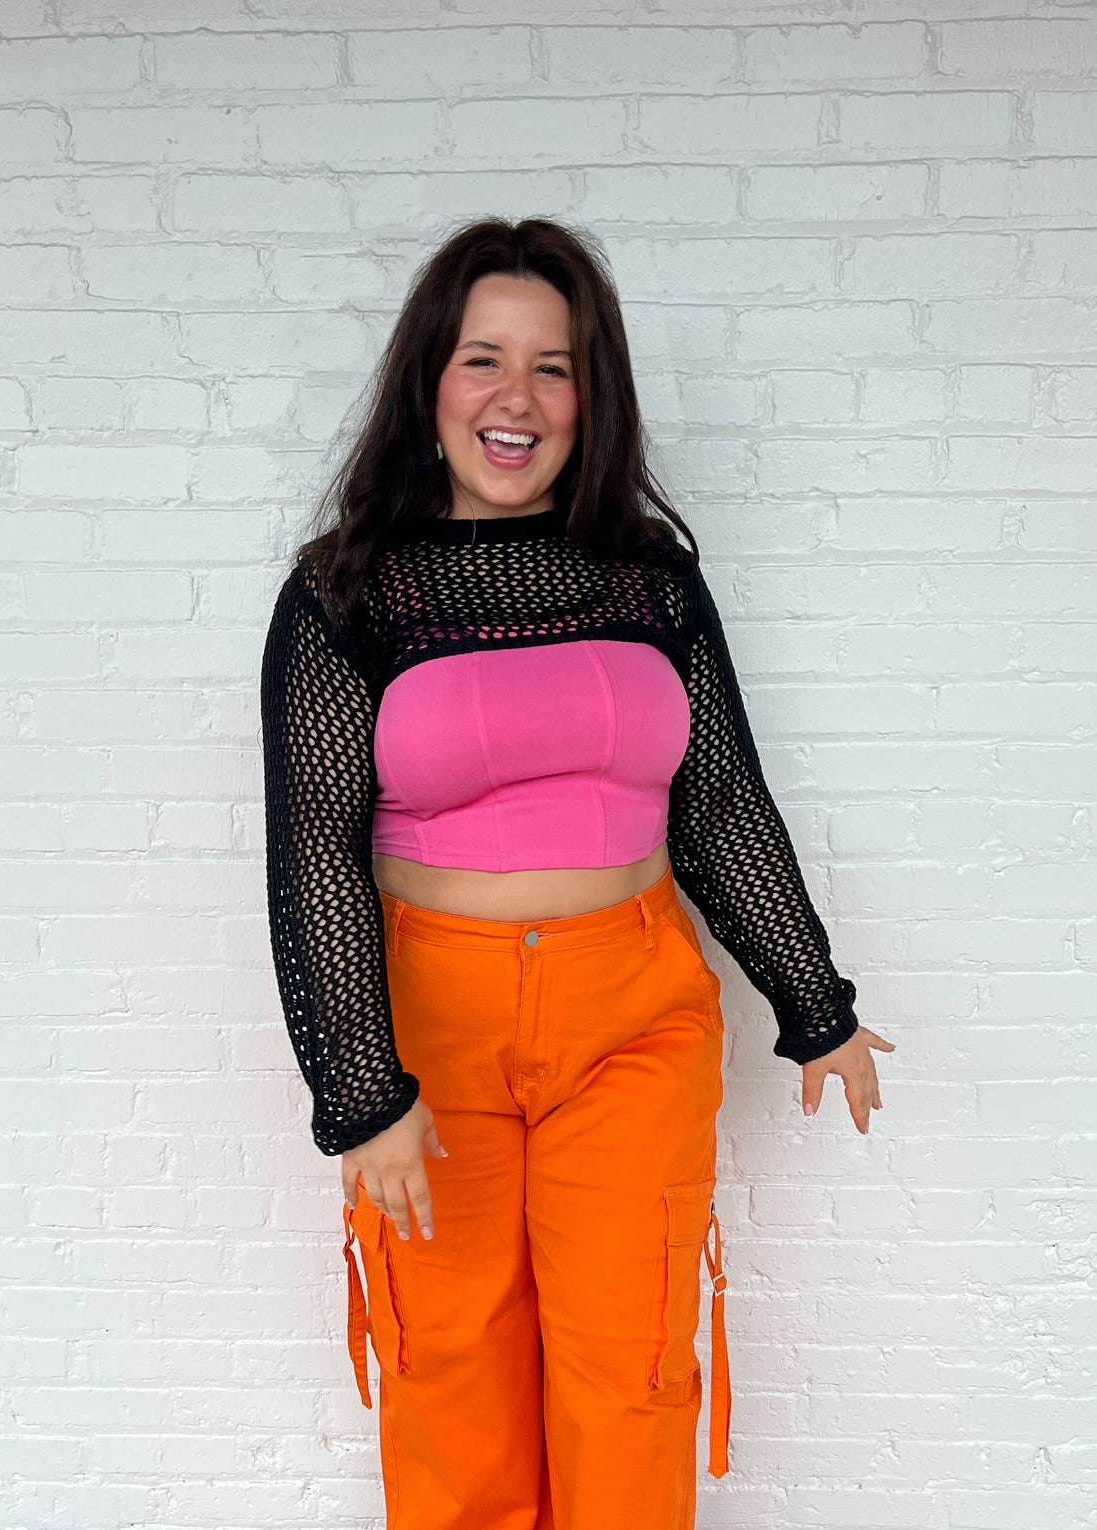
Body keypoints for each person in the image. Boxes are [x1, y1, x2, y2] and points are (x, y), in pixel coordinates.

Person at [260, 216, 894, 1530]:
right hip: (430, 1030)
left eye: (553, 366)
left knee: (632, 1374)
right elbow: (315, 845)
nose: (518, 397)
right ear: (429, 383)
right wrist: (361, 1088)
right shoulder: (347, 595)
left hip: (634, 1015)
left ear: (590, 396)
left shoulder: (650, 581)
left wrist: (813, 1000)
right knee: (453, 1384)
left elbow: (718, 798)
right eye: (483, 359)